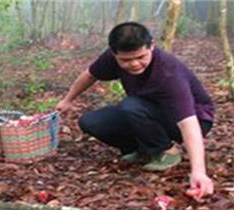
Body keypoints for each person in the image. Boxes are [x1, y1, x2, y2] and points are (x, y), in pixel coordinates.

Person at [57, 22, 215, 200]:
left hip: (195, 119)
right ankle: (143, 149)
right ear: (114, 53)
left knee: (131, 106)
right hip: (146, 110)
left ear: (152, 46)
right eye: (125, 60)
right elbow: (90, 74)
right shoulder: (110, 57)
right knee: (90, 122)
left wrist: (199, 172)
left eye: (141, 57)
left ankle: (167, 151)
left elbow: (188, 123)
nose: (134, 64)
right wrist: (68, 100)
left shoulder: (169, 74)